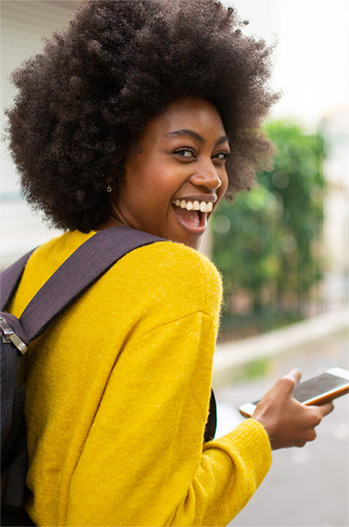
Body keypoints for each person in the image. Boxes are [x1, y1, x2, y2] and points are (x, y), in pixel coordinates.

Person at [5, 1, 333, 525]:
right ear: (112, 157)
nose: (212, 178)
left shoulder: (36, 267)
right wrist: (263, 437)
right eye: (184, 152)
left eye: (220, 155)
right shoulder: (177, 280)